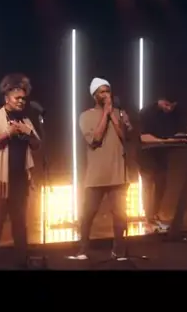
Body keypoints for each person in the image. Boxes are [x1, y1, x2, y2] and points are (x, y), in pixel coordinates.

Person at [0, 74, 41, 269]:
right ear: (7, 98)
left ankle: (21, 261)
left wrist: (29, 133)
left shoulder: (25, 120)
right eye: (17, 98)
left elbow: (37, 144)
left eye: (23, 98)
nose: (21, 101)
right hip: (1, 182)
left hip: (20, 180)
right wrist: (7, 134)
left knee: (20, 222)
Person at [71, 77, 130, 260]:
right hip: (96, 175)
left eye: (108, 91)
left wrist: (113, 115)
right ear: (94, 95)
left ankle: (118, 251)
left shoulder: (120, 114)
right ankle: (83, 249)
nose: (106, 95)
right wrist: (105, 113)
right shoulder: (85, 116)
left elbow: (125, 137)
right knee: (88, 214)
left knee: (120, 215)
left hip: (118, 173)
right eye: (102, 92)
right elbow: (95, 139)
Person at [137, 96, 187, 232]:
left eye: (172, 106)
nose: (169, 109)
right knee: (149, 187)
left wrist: (178, 137)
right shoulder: (146, 112)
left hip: (161, 155)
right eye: (167, 105)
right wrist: (165, 141)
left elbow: (171, 132)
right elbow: (143, 137)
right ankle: (149, 219)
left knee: (161, 185)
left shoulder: (170, 115)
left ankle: (154, 215)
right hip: (147, 156)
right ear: (161, 102)